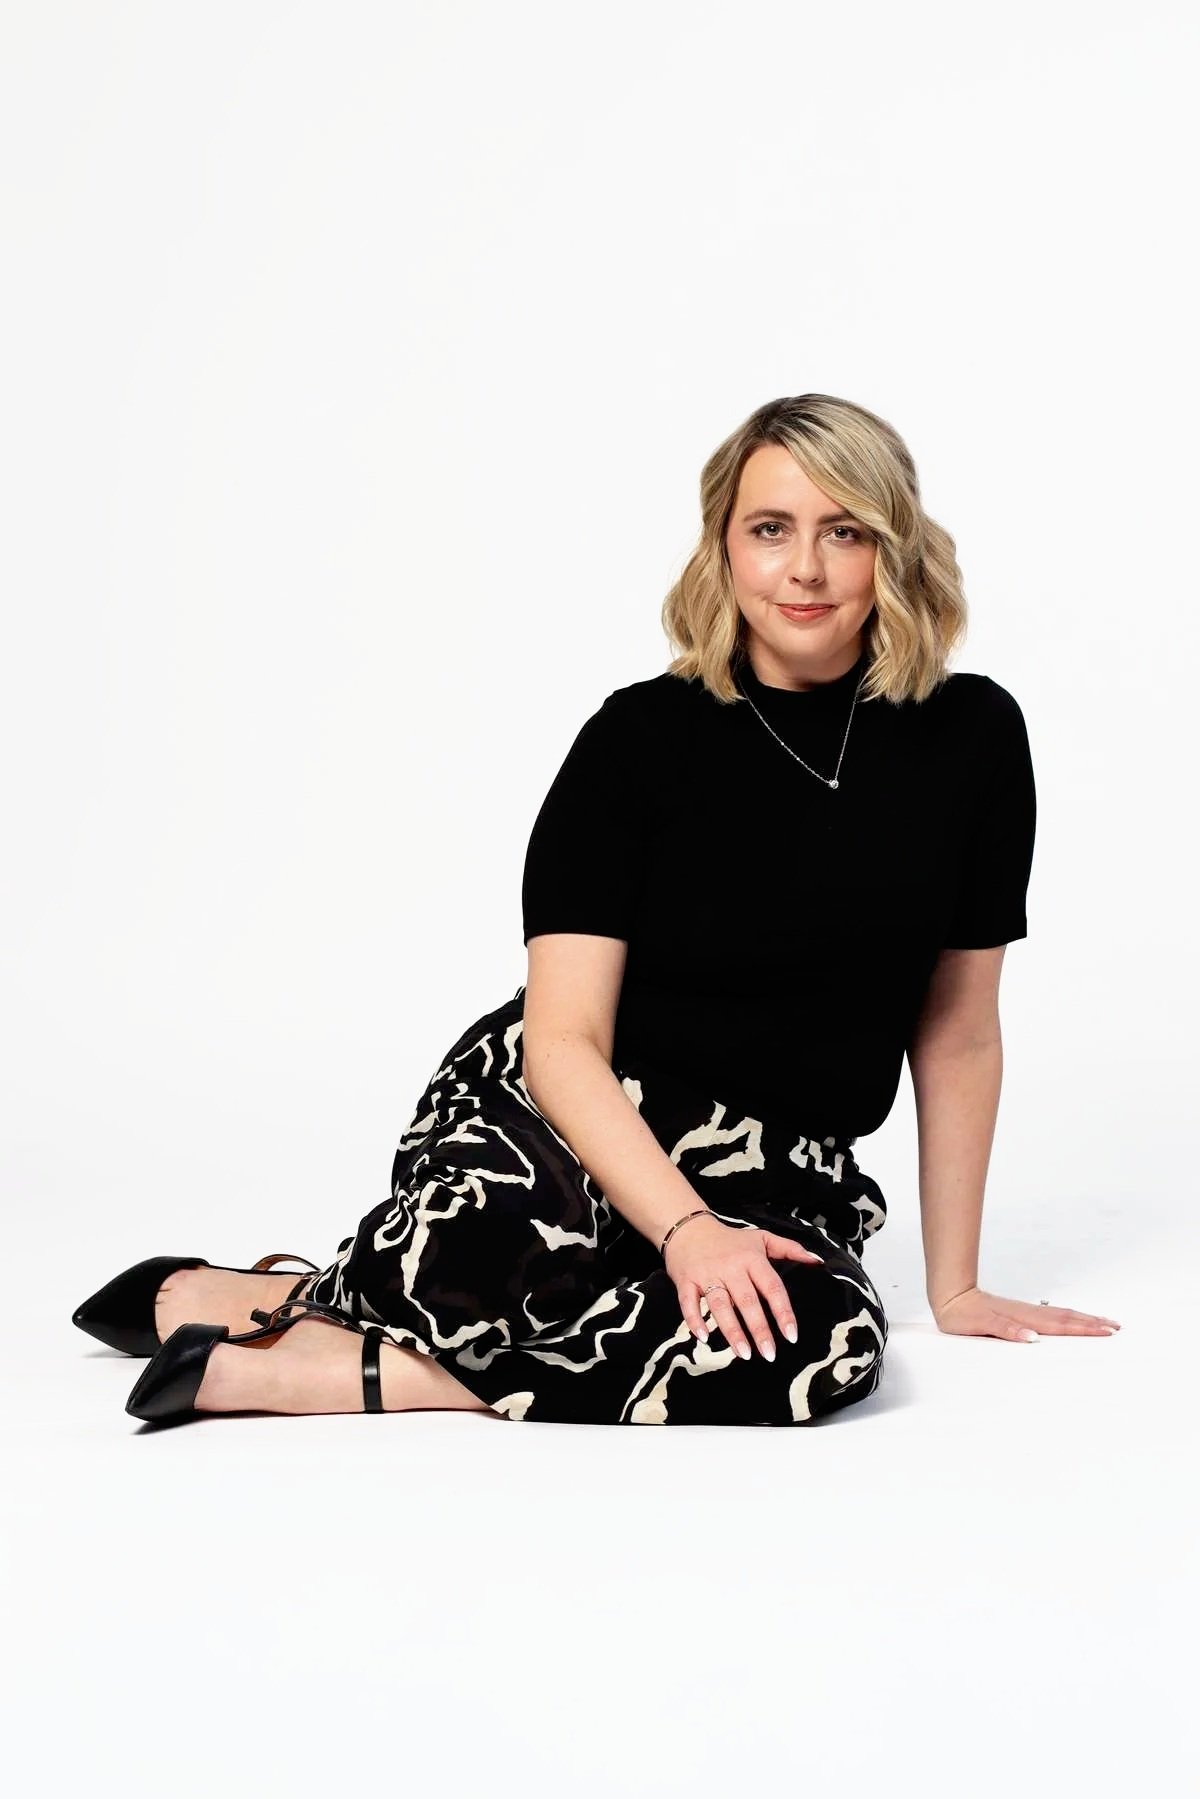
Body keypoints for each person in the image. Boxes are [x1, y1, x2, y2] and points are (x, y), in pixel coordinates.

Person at [73, 392, 1121, 1428]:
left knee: (829, 1339)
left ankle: (309, 1341)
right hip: (568, 1113)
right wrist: (683, 1230)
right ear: (722, 546)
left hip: (777, 1166)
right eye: (771, 529)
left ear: (892, 549)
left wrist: (956, 1286)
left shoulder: (973, 737)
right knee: (484, 1254)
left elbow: (957, 1027)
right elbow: (562, 1040)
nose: (805, 568)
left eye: (843, 531)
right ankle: (305, 1309)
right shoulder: (637, 740)